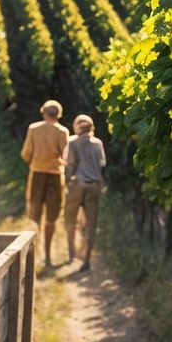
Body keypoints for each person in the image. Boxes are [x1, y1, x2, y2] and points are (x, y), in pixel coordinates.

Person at [20, 100, 69, 268]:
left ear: (43, 112)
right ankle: (48, 256)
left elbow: (26, 154)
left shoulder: (34, 129)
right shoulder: (62, 131)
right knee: (52, 217)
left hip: (37, 174)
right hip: (55, 176)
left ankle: (34, 255)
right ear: (59, 114)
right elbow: (66, 156)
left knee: (35, 216)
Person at [64, 114, 106, 272]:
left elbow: (70, 166)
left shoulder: (73, 142)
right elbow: (102, 163)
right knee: (91, 225)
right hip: (94, 186)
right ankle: (86, 259)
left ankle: (72, 255)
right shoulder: (98, 143)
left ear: (77, 127)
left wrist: (67, 182)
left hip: (78, 185)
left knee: (70, 219)